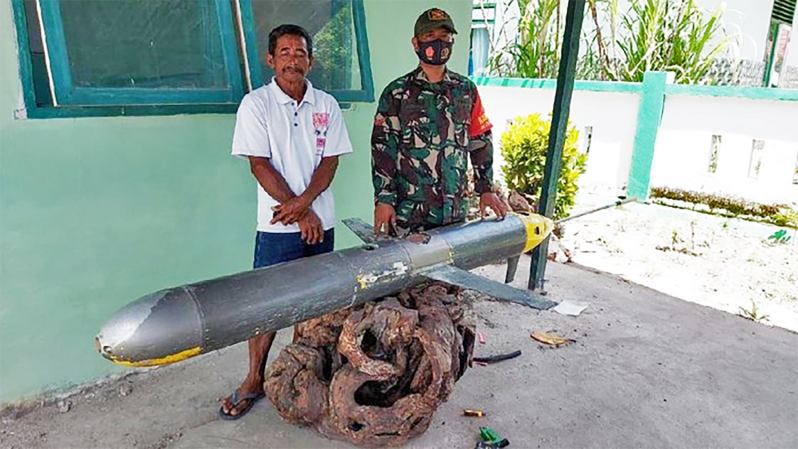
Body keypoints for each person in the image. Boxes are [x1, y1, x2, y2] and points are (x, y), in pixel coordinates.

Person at [222, 24, 352, 419]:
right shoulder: (256, 105)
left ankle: (300, 373)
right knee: (267, 306)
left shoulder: (325, 105)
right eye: (285, 53)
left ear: (310, 60)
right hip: (277, 225)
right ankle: (253, 379)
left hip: (319, 223)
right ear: (270, 59)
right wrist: (300, 211)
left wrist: (308, 206)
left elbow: (330, 162)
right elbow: (259, 165)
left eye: (300, 53)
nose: (292, 60)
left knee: (312, 305)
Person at [371, 7, 507, 237]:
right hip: (410, 213)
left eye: (445, 37)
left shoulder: (466, 90)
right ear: (416, 43)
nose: (439, 42)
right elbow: (383, 149)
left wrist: (485, 188)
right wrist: (383, 200)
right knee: (410, 273)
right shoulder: (396, 93)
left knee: (451, 272)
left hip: (454, 213)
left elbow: (480, 139)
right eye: (430, 36)